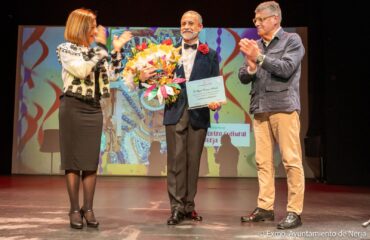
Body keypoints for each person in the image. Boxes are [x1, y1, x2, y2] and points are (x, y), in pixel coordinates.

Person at [140, 10, 220, 225]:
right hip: (175, 112)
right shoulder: (168, 53)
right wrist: (143, 78)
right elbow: (151, 80)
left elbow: (215, 83)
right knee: (176, 162)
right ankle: (176, 207)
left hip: (199, 113)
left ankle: (188, 207)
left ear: (200, 27)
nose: (186, 26)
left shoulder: (210, 54)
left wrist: (215, 101)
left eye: (191, 23)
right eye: (183, 23)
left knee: (193, 163)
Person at [56, 8, 132, 229]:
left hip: (93, 109)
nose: (97, 30)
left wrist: (116, 51)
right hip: (72, 106)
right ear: (81, 27)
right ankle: (73, 209)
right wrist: (101, 48)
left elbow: (112, 75)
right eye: (93, 25)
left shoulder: (96, 51)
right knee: (72, 162)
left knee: (90, 163)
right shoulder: (66, 49)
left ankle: (88, 208)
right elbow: (81, 70)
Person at [238, 1, 305, 229]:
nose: (256, 23)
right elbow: (243, 76)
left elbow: (286, 68)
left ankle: (294, 211)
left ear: (275, 19)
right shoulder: (255, 45)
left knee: (291, 161)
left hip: (283, 108)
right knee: (263, 162)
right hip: (260, 109)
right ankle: (265, 207)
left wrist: (259, 58)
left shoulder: (292, 40)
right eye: (255, 20)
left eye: (260, 19)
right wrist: (250, 66)